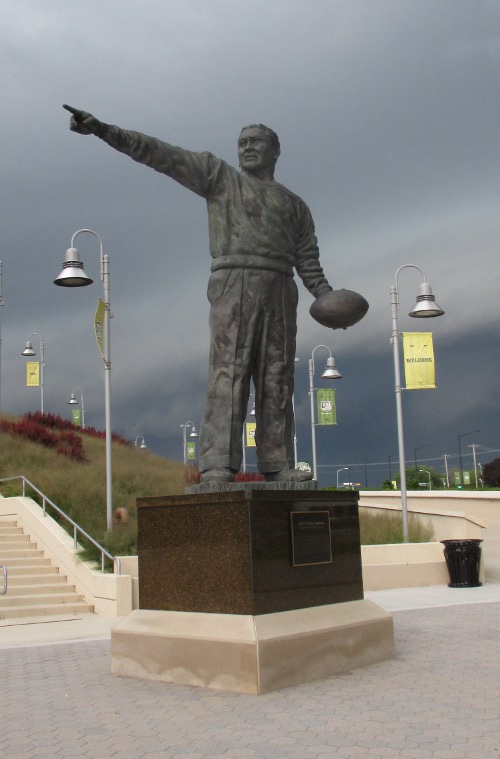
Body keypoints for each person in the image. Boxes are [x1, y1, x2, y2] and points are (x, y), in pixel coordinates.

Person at [64, 105, 333, 483]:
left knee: (277, 376)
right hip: (233, 280)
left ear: (275, 151)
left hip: (280, 287)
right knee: (230, 372)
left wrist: (326, 298)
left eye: (256, 141)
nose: (246, 148)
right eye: (242, 142)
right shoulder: (221, 178)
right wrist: (105, 130)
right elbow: (161, 155)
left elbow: (308, 258)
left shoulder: (295, 205)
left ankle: (278, 463)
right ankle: (217, 463)